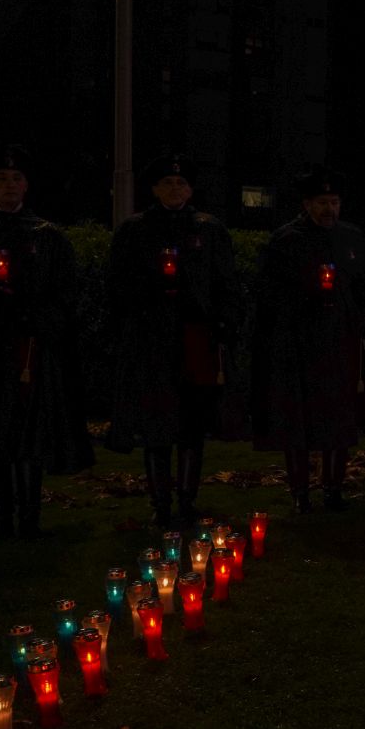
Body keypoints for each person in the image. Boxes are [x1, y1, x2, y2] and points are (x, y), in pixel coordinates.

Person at [106, 155, 244, 526]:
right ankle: (160, 502)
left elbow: (227, 283)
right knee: (156, 422)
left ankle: (187, 499)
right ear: (154, 189)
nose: (175, 190)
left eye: (181, 184)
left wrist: (225, 321)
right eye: (167, 183)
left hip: (196, 336)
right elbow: (117, 285)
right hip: (151, 340)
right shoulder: (135, 230)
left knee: (192, 421)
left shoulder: (209, 229)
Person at [251, 168, 365, 513]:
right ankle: (301, 492)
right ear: (307, 204)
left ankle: (333, 490)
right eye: (322, 202)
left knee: (340, 418)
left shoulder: (352, 238)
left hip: (342, 341)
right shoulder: (286, 241)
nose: (329, 209)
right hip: (299, 345)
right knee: (298, 420)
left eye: (334, 202)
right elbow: (269, 294)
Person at [0, 145, 93, 540]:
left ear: (26, 185)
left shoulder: (46, 235)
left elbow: (67, 292)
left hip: (32, 350)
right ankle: (2, 518)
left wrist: (40, 319)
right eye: (1, 178)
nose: (9, 185)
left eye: (16, 178)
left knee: (28, 434)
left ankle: (30, 518)